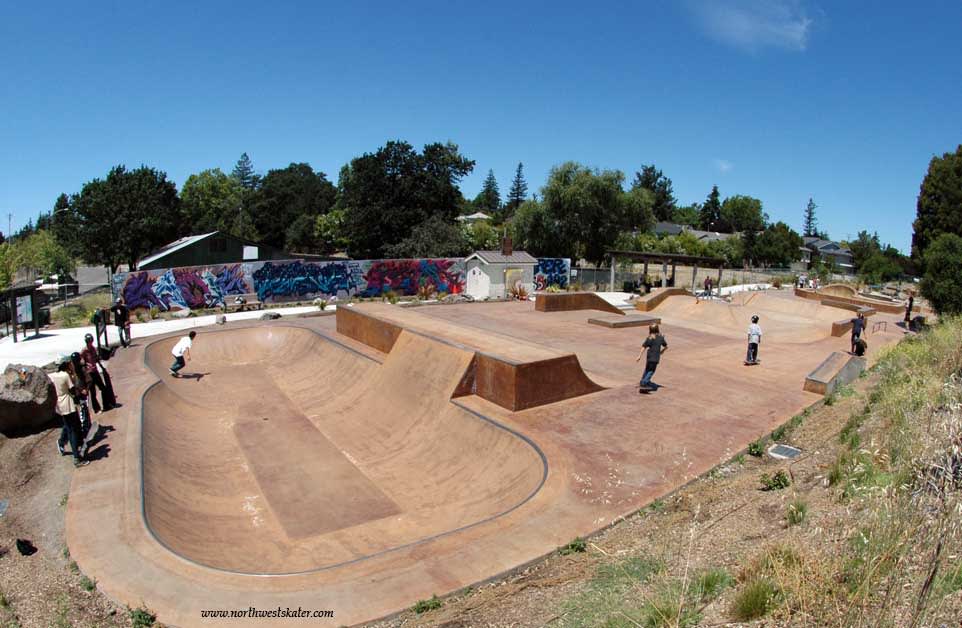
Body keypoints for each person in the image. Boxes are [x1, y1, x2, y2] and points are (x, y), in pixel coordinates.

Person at [51, 357, 89, 467]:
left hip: (60, 404)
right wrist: (80, 398)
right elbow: (72, 389)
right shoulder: (65, 375)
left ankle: (62, 442)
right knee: (73, 429)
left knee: (68, 426)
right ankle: (77, 457)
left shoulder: (55, 375)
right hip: (68, 403)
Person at [80, 333, 117, 413]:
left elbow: (96, 358)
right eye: (88, 341)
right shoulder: (84, 351)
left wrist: (101, 366)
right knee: (93, 392)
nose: (90, 343)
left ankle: (106, 405)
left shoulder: (93, 349)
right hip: (89, 373)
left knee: (103, 388)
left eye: (91, 341)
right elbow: (81, 361)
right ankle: (96, 409)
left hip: (95, 371)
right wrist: (85, 365)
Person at [635, 324, 668, 393]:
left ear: (650, 330)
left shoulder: (649, 338)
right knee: (651, 371)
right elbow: (666, 346)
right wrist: (662, 351)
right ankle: (644, 383)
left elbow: (643, 347)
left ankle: (642, 381)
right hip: (655, 358)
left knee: (647, 369)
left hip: (649, 357)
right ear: (658, 329)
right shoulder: (661, 337)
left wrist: (639, 356)